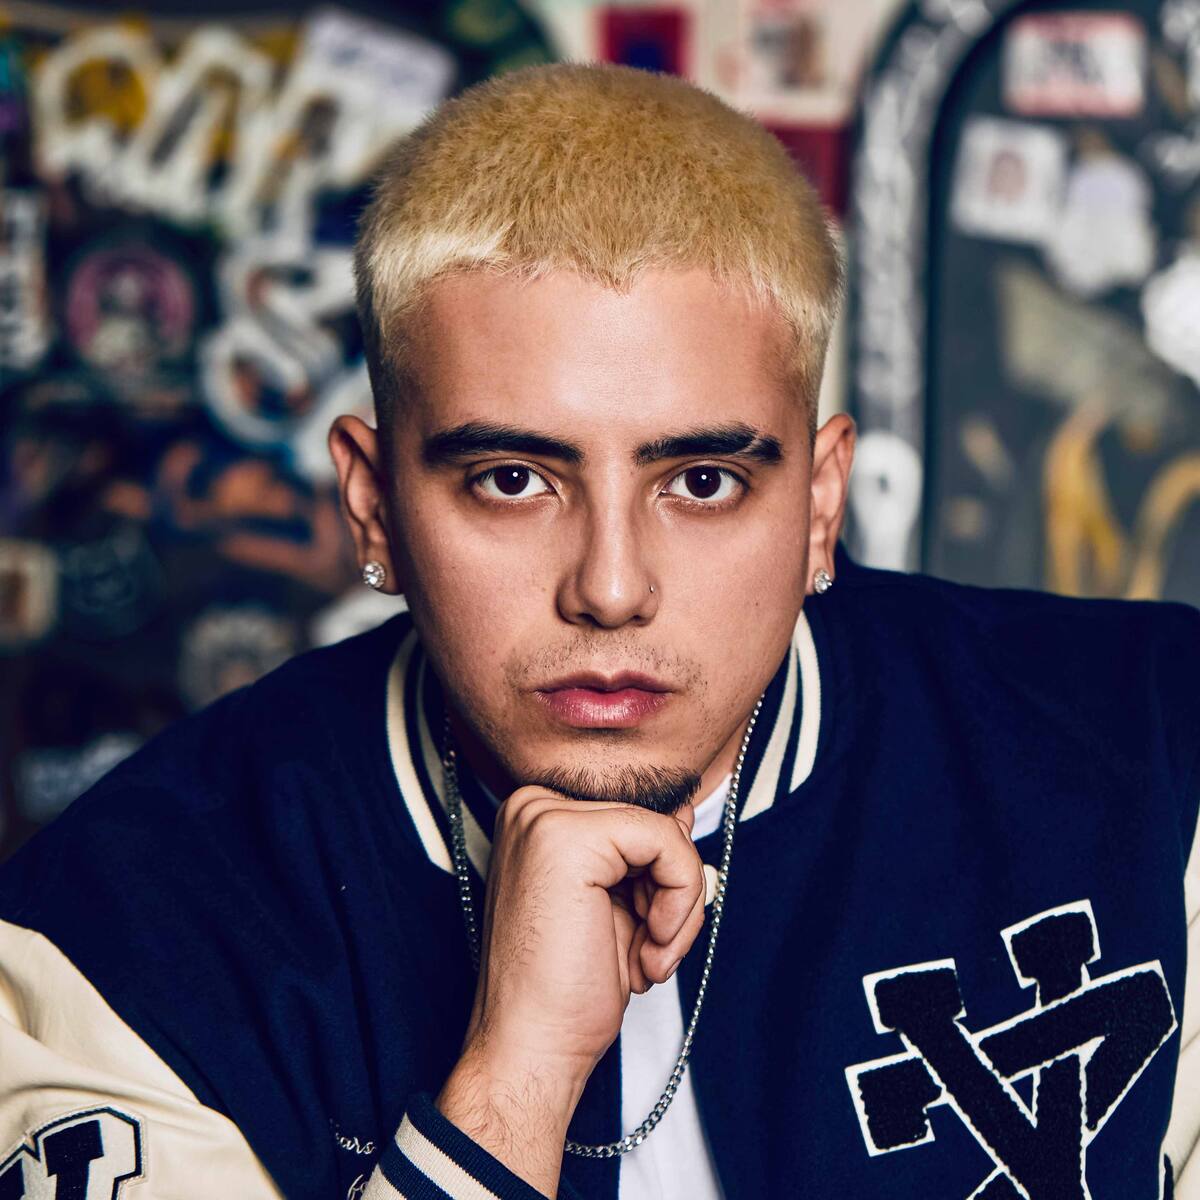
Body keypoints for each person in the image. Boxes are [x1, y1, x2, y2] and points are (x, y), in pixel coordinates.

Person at [0, 62, 1197, 1200]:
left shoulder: (1158, 751)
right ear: (374, 507)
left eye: (704, 482)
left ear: (821, 506)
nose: (612, 589)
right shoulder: (118, 930)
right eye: (512, 480)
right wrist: (510, 1086)